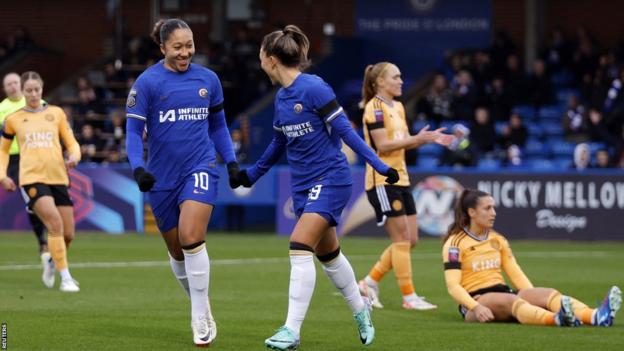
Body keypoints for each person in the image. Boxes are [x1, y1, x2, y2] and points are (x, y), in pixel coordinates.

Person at [232, 25, 400, 350]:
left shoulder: (314, 88)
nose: (259, 63)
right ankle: (360, 308)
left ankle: (291, 331)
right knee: (329, 254)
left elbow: (347, 134)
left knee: (299, 245)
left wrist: (378, 165)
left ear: (270, 59)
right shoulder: (281, 98)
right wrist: (251, 175)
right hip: (302, 185)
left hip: (332, 178)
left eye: (260, 58)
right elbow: (277, 144)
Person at [125, 18, 239, 347]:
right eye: (178, 47)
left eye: (189, 45)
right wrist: (138, 168)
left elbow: (218, 126)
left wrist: (230, 162)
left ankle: (199, 316)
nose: (185, 52)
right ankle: (201, 303)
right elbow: (133, 133)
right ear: (162, 48)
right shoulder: (147, 83)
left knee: (191, 237)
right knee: (177, 252)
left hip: (200, 166)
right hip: (161, 178)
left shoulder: (208, 80)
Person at [442, 188, 621, 326]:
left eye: (493, 208)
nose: (493, 213)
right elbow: (453, 286)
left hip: (503, 292)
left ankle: (596, 316)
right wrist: (476, 307)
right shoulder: (455, 243)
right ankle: (556, 319)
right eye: (487, 208)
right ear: (472, 212)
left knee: (547, 294)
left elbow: (516, 273)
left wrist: (533, 297)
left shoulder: (498, 239)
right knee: (513, 300)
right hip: (477, 300)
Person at [356, 61, 453, 311]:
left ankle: (368, 282)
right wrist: (417, 138)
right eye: (396, 77)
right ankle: (409, 297)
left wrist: (426, 139)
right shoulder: (373, 108)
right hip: (382, 180)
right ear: (380, 82)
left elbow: (403, 142)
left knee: (411, 239)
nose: (401, 81)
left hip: (402, 178)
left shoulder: (398, 106)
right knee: (401, 239)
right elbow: (382, 145)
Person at [0, 71, 81, 292]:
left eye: (37, 90)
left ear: (42, 89)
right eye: (29, 90)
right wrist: (3, 175)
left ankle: (52, 262)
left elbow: (72, 143)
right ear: (23, 91)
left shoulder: (56, 113)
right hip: (31, 178)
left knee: (68, 234)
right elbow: (3, 151)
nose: (33, 94)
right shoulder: (13, 119)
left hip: (58, 177)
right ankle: (66, 278)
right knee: (54, 224)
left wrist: (75, 156)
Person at [0, 72, 51, 284]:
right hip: (15, 161)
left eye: (14, 83)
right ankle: (44, 245)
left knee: (46, 202)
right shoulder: (2, 110)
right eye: (8, 84)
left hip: (39, 156)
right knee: (33, 202)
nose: (12, 87)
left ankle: (49, 246)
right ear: (4, 88)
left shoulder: (39, 103)